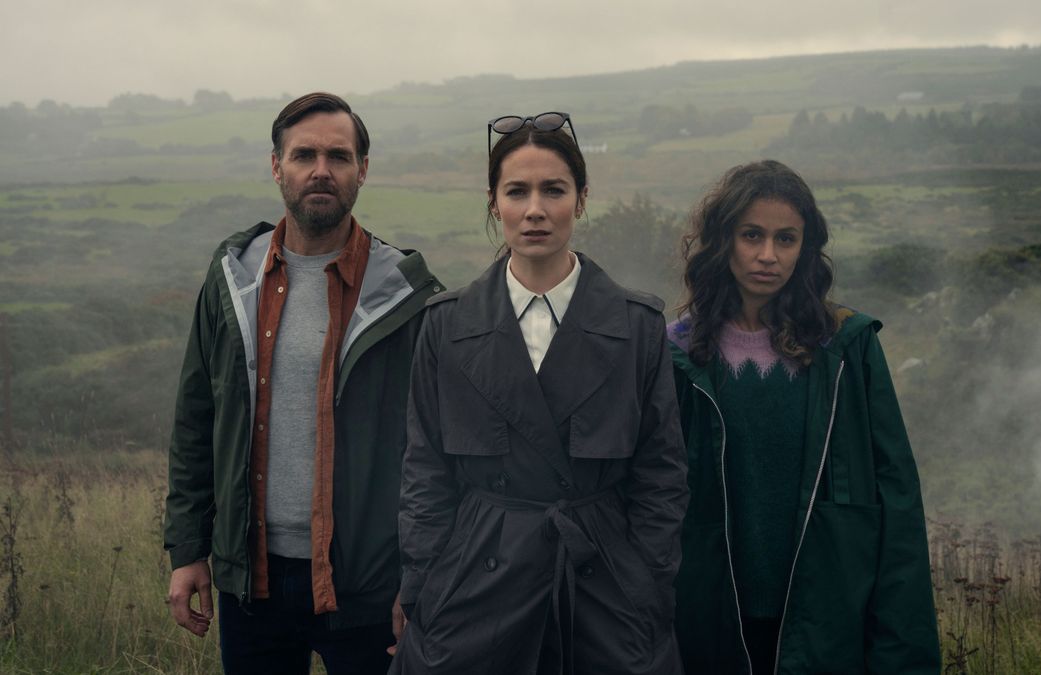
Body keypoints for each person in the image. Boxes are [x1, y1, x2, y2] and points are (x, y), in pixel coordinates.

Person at [390, 113, 689, 675]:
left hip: (604, 585)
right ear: (492, 202)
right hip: (474, 584)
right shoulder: (447, 325)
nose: (535, 210)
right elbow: (424, 471)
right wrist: (423, 587)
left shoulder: (636, 325)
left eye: (553, 190)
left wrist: (647, 584)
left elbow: (662, 473)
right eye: (517, 191)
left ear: (580, 200)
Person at [164, 92, 443, 674]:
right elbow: (197, 419)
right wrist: (188, 550)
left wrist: (421, 576)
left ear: (362, 170)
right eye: (304, 154)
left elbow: (434, 453)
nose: (321, 170)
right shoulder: (232, 281)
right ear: (276, 166)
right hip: (253, 582)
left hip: (366, 586)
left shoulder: (407, 297)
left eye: (339, 157)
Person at [668, 160, 940, 674]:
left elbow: (895, 500)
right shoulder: (679, 356)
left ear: (805, 248)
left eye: (786, 239)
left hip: (827, 622)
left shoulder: (846, 348)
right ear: (723, 240)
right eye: (752, 235)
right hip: (711, 624)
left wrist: (904, 654)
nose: (767, 255)